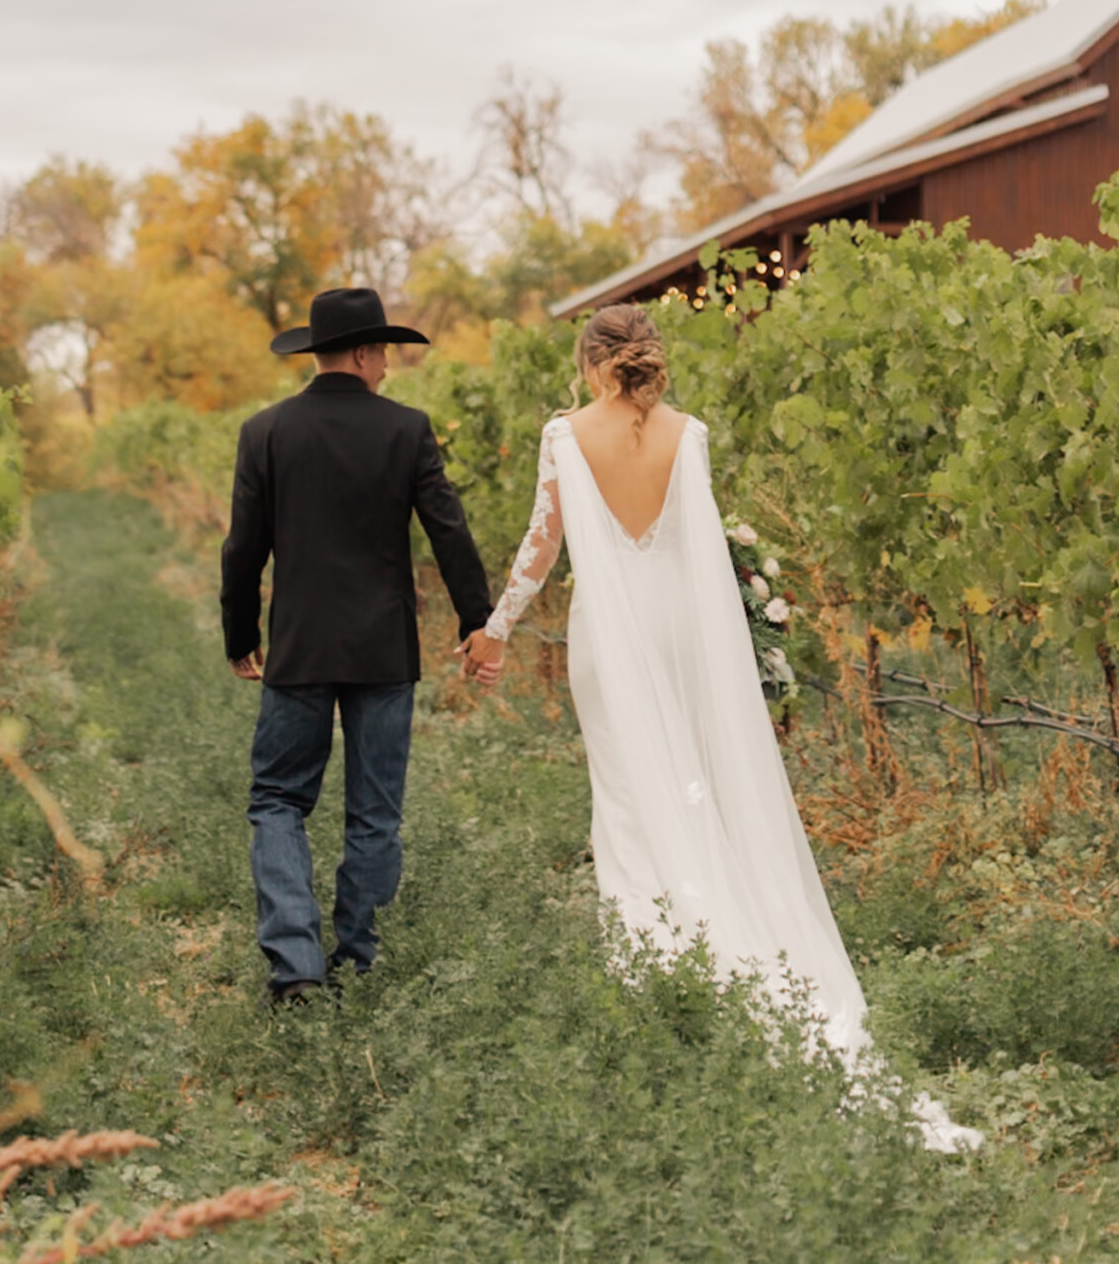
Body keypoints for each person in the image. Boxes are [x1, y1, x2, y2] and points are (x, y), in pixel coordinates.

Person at [461, 305, 981, 1152]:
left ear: (594, 364)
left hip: (612, 637)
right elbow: (701, 552)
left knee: (630, 802)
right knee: (695, 788)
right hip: (681, 632)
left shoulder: (566, 435)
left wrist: (498, 626)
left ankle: (662, 978)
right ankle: (723, 944)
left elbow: (540, 546)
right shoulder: (688, 433)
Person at [223, 287, 492, 1004]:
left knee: (278, 798)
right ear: (368, 352)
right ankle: (356, 959)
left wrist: (240, 635)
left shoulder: (265, 431)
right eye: (385, 355)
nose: (388, 369)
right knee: (374, 810)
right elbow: (450, 532)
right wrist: (478, 621)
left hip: (300, 648)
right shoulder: (407, 430)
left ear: (320, 353)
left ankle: (296, 964)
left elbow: (242, 548)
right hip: (382, 650)